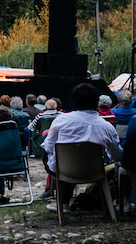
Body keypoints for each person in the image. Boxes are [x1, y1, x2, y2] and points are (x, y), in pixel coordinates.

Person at [43, 83, 123, 214]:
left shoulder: (61, 120)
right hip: (96, 171)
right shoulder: (106, 126)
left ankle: (63, 203)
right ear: (96, 101)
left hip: (65, 170)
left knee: (51, 147)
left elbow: (48, 147)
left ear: (74, 101)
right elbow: (117, 155)